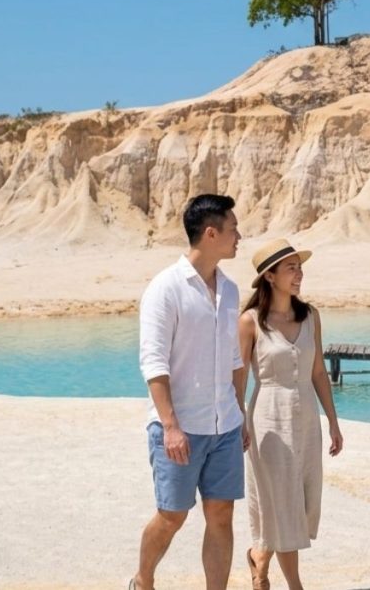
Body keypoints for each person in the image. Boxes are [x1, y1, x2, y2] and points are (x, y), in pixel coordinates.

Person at [131, 194, 249, 590]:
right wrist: (170, 426)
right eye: (233, 229)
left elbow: (235, 359)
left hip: (225, 426)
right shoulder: (165, 289)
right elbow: (154, 363)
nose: (239, 236)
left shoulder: (230, 290)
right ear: (211, 233)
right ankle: (143, 581)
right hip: (180, 427)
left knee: (221, 515)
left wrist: (240, 415)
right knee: (172, 516)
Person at [239, 239, 344, 590]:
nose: (300, 274)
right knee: (282, 503)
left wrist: (333, 421)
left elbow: (318, 373)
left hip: (307, 419)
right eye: (292, 268)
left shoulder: (311, 315)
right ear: (270, 276)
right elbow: (238, 377)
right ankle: (295, 586)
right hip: (268, 418)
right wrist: (239, 419)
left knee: (303, 499)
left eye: (300, 267)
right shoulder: (250, 321)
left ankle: (259, 555)